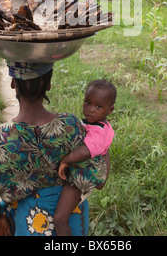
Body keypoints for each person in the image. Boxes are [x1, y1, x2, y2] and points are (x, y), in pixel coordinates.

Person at [0, 62, 107, 237]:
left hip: (26, 223)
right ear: (49, 84)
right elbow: (98, 180)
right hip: (70, 220)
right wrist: (104, 143)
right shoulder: (70, 125)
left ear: (13, 83)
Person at [56, 79, 116, 235]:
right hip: (86, 175)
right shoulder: (98, 125)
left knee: (60, 218)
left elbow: (86, 151)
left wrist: (66, 159)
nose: (90, 110)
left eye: (98, 106)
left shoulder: (98, 131)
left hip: (80, 180)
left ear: (110, 110)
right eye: (87, 103)